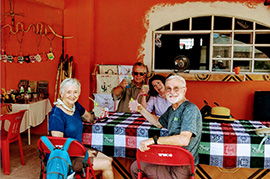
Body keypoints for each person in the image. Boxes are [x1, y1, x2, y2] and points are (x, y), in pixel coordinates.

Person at [130, 75, 202, 179]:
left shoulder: (190, 109)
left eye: (176, 88)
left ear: (184, 90)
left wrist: (153, 140)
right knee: (136, 166)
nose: (172, 92)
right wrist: (141, 110)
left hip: (181, 165)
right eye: (169, 88)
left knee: (136, 168)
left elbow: (184, 139)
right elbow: (158, 122)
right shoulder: (172, 109)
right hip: (169, 159)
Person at [49, 78, 114, 179]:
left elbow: (90, 118)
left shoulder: (74, 106)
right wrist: (83, 152)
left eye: (75, 92)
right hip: (67, 159)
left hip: (79, 151)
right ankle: (85, 173)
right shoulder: (56, 115)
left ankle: (88, 174)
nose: (72, 95)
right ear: (61, 94)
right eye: (68, 92)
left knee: (109, 159)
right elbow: (59, 146)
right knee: (106, 164)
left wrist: (96, 112)